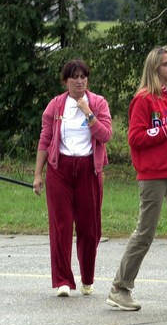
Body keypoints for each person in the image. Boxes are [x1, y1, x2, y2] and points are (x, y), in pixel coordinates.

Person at [106, 46, 167, 312]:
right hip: (153, 174)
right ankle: (120, 287)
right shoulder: (143, 99)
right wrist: (164, 129)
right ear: (154, 68)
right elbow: (135, 138)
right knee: (146, 231)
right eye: (166, 64)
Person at [33, 59, 112, 297]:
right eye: (74, 77)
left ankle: (87, 277)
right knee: (61, 225)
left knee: (90, 229)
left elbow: (105, 135)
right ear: (65, 81)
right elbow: (46, 139)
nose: (79, 81)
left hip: (89, 170)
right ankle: (63, 281)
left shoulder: (98, 103)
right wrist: (38, 174)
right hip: (60, 171)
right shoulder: (55, 106)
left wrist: (87, 112)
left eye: (83, 77)